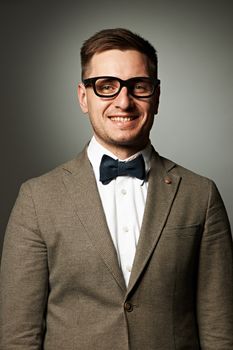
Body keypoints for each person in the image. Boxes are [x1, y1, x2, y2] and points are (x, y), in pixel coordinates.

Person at [0, 28, 232, 350]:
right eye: (106, 87)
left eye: (138, 86)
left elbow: (220, 332)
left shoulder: (201, 195)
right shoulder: (37, 199)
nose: (123, 102)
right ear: (83, 96)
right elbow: (18, 337)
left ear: (157, 96)